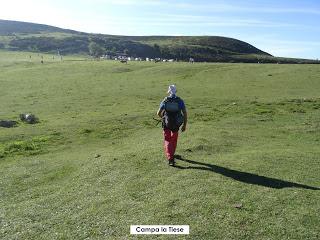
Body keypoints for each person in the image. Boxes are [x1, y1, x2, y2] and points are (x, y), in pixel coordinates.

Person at [157, 85, 187, 166]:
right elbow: (184, 113)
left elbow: (158, 113)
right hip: (176, 124)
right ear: (175, 91)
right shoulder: (180, 101)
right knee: (174, 139)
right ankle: (172, 154)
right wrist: (184, 125)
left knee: (167, 139)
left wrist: (163, 118)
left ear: (169, 92)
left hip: (166, 123)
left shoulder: (165, 100)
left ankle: (170, 157)